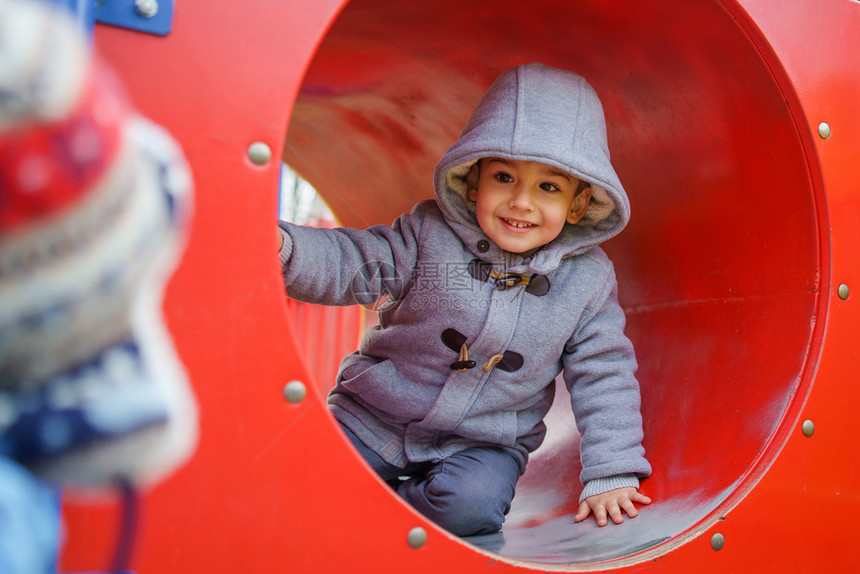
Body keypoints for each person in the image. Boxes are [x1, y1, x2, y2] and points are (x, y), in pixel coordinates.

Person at [278, 62, 651, 537]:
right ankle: (357, 500)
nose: (521, 202)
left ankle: (385, 510)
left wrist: (610, 469)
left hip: (485, 443)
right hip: (373, 417)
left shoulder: (588, 281)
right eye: (503, 177)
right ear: (473, 180)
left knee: (471, 510)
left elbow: (604, 372)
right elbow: (355, 260)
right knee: (313, 479)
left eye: (549, 187)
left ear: (578, 205)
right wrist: (285, 250)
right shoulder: (427, 236)